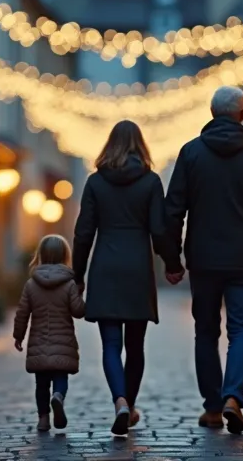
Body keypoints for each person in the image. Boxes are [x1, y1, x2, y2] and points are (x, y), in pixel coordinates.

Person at [164, 86, 243, 434]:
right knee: (240, 332)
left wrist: (172, 259)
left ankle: (213, 407)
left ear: (211, 112)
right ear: (242, 114)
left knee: (205, 332)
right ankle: (233, 395)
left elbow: (173, 210)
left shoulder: (190, 154)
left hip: (204, 260)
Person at [73, 120, 184, 436]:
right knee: (135, 346)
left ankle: (120, 401)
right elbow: (160, 229)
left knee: (110, 344)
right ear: (141, 146)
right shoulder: (150, 182)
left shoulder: (95, 182)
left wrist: (78, 274)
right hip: (137, 266)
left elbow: (83, 233)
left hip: (105, 264)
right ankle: (130, 404)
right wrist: (172, 263)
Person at [12, 234, 86, 433]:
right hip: (63, 345)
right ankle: (59, 396)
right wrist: (80, 293)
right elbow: (78, 311)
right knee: (61, 376)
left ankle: (43, 419)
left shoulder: (31, 284)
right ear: (65, 256)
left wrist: (18, 335)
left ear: (40, 256)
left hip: (38, 344)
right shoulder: (69, 284)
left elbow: (22, 313)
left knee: (41, 384)